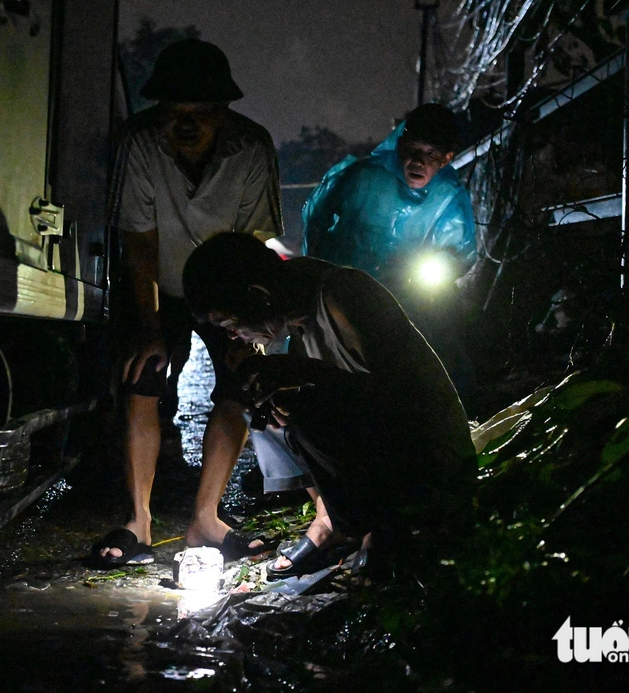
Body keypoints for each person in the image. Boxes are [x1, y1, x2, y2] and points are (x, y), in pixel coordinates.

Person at [89, 40, 283, 568]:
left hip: (226, 288)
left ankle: (206, 518)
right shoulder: (140, 142)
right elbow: (139, 241)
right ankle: (139, 521)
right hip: (159, 279)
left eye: (202, 113)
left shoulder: (252, 148)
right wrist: (150, 326)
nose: (188, 124)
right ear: (160, 111)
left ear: (224, 112)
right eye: (176, 113)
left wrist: (250, 325)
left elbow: (258, 239)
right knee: (143, 374)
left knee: (243, 380)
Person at [183, 232, 477, 578]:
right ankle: (332, 519)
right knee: (266, 402)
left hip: (433, 459)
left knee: (304, 409)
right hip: (388, 445)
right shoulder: (296, 310)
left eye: (232, 325)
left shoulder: (342, 295)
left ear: (258, 296)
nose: (234, 337)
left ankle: (387, 525)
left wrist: (303, 374)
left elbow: (402, 399)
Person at [302, 103, 477, 395]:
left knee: (437, 338)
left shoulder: (449, 198)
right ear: (401, 146)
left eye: (430, 154)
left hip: (406, 295)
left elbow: (459, 251)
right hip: (342, 289)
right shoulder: (364, 177)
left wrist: (437, 265)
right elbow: (318, 217)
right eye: (413, 151)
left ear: (447, 159)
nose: (418, 162)